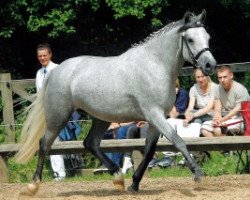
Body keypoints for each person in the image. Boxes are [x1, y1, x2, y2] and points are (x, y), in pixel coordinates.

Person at [35, 43, 83, 181]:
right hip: (46, 112)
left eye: (45, 55)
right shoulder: (39, 73)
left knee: (58, 139)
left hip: (60, 110)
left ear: (50, 55)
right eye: (40, 56)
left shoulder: (58, 69)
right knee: (49, 140)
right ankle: (58, 172)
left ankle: (63, 172)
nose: (42, 58)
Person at [201, 65, 250, 137]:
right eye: (220, 78)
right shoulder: (217, 88)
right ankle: (222, 147)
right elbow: (217, 108)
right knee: (204, 129)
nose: (222, 80)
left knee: (217, 129)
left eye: (225, 77)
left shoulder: (240, 89)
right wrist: (216, 119)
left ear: (231, 75)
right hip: (225, 118)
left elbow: (237, 110)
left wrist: (222, 120)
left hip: (241, 119)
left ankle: (227, 147)